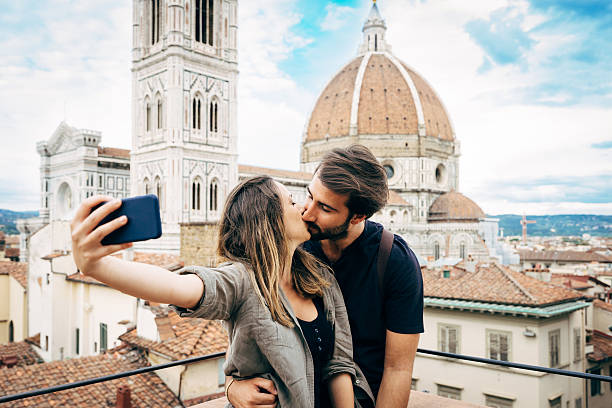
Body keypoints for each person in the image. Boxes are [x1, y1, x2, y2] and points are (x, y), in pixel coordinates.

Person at [70, 176, 374, 408]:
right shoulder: (241, 281)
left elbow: (339, 362)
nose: (304, 208)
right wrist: (96, 266)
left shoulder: (320, 278)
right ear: (270, 221)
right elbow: (178, 287)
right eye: (292, 202)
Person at [228, 145, 423, 408]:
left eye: (325, 208)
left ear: (358, 216)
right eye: (309, 196)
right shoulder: (295, 246)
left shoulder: (395, 262)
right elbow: (246, 320)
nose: (307, 212)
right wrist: (232, 386)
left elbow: (398, 369)